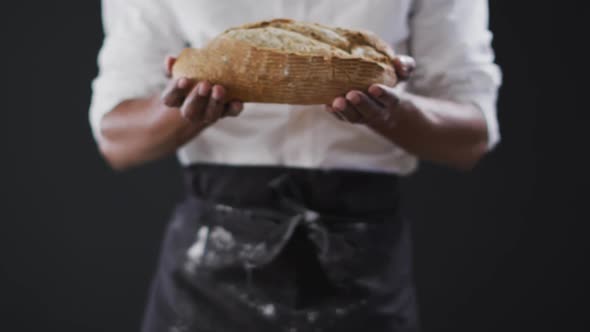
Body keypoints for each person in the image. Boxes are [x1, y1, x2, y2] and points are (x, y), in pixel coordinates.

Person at [89, 1, 501, 331]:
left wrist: (393, 113)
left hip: (361, 259)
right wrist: (187, 110)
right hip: (212, 263)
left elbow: (471, 137)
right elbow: (117, 141)